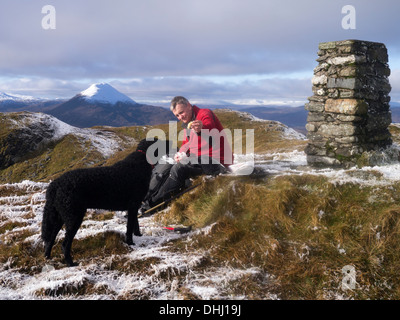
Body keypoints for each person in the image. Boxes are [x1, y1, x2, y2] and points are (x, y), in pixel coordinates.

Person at [138, 96, 233, 214]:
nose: (180, 117)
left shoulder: (204, 114)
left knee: (179, 169)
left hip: (217, 161)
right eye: (177, 115)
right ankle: (143, 198)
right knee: (169, 162)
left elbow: (209, 127)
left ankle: (150, 207)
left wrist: (201, 128)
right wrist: (180, 153)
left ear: (189, 105)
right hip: (200, 159)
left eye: (181, 112)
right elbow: (186, 144)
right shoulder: (187, 124)